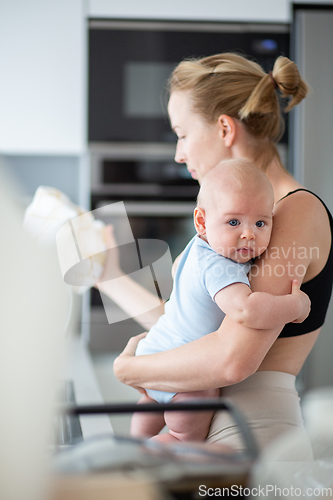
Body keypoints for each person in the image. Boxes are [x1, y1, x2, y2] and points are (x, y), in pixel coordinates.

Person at [99, 53, 333, 455]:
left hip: (252, 433)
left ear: (224, 128)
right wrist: (109, 278)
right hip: (213, 421)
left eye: (183, 134)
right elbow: (192, 324)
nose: (179, 153)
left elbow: (230, 358)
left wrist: (131, 370)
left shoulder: (295, 211)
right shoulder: (228, 232)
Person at [131, 159, 310, 443]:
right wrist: (295, 306)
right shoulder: (220, 266)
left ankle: (132, 446)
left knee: (139, 434)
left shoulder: (195, 249)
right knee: (183, 441)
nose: (249, 233)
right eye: (234, 222)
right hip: (189, 378)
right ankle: (148, 452)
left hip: (155, 354)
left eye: (261, 222)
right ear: (202, 221)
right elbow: (246, 310)